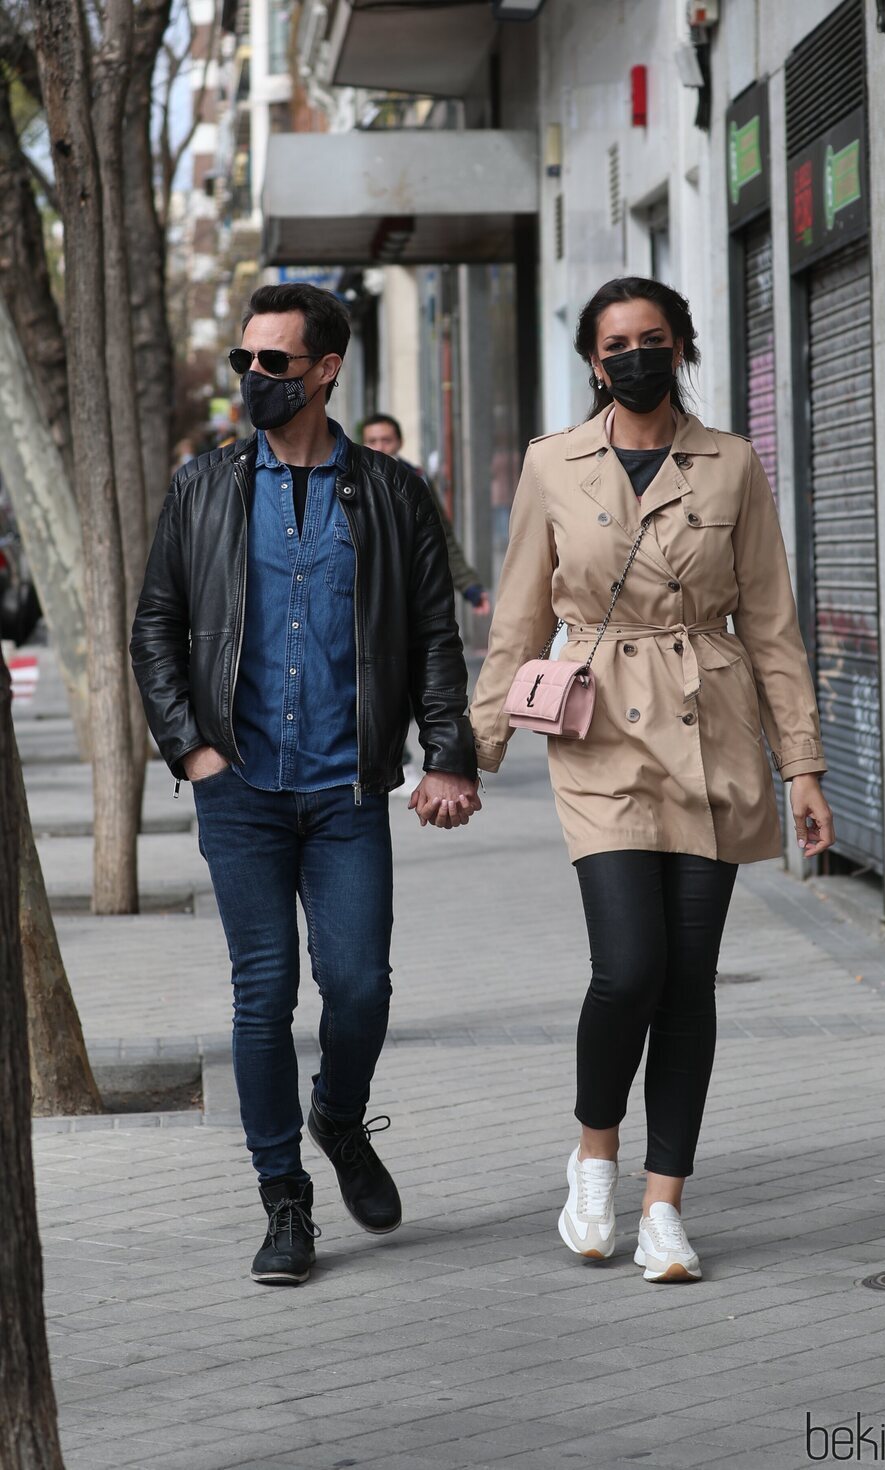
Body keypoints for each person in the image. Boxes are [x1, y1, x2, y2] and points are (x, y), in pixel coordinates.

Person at [468, 276, 834, 1285]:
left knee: (687, 978)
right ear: (593, 360)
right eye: (615, 342)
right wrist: (473, 748)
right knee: (627, 966)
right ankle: (593, 1157)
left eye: (652, 338)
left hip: (708, 729)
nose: (634, 355)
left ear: (679, 347)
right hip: (595, 731)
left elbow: (769, 626)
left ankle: (664, 1206)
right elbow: (516, 620)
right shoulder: (552, 464)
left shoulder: (730, 465)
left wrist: (800, 764)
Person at [131, 282, 481, 1286]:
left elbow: (430, 639)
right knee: (262, 996)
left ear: (325, 370)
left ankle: (336, 1114)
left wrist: (447, 752)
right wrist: (189, 748)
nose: (253, 378)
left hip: (343, 790)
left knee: (360, 986)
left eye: (273, 364)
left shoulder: (389, 491)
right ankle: (284, 1199)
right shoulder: (202, 486)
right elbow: (155, 625)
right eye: (245, 361)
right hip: (236, 789)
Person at [361, 413, 492, 615]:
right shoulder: (350, 481)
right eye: (372, 441)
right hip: (365, 593)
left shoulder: (416, 481)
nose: (379, 447)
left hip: (412, 590)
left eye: (386, 440)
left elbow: (441, 536)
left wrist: (469, 586)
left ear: (399, 443)